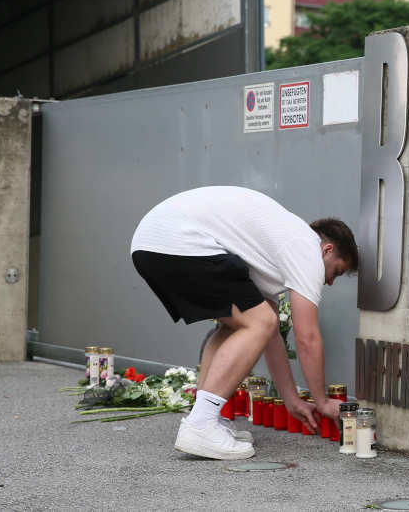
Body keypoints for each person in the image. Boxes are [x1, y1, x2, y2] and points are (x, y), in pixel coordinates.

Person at [129, 186, 358, 460]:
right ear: (327, 250)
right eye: (336, 271)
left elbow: (271, 334)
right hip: (176, 241)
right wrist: (322, 401)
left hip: (152, 243)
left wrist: (291, 399)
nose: (330, 281)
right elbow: (307, 337)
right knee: (258, 322)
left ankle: (205, 419)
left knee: (243, 323)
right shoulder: (307, 249)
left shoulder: (275, 249)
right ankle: (201, 425)